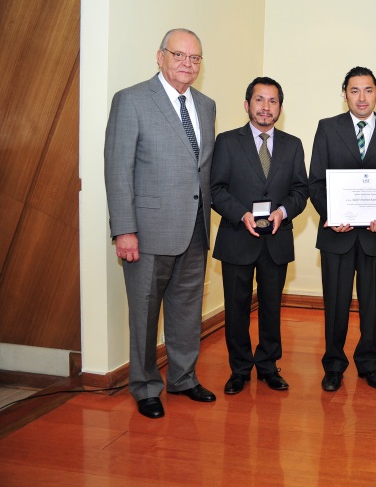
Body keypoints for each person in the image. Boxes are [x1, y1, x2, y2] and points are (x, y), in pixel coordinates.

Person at [104, 28, 217, 419]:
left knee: (187, 310)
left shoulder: (206, 105)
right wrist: (124, 229)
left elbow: (201, 168)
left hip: (195, 229)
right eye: (179, 55)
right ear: (160, 56)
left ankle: (183, 378)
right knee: (145, 312)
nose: (187, 63)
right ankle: (146, 386)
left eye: (195, 58)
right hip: (147, 231)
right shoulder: (132, 100)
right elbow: (118, 169)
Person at [308, 66, 376, 392]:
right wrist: (331, 213)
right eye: (354, 90)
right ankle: (334, 365)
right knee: (335, 305)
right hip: (337, 235)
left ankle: (369, 364)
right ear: (344, 94)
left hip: (375, 237)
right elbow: (316, 182)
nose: (361, 97)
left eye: (368, 90)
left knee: (372, 305)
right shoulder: (327, 129)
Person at [210, 77, 309, 395]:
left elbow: (300, 190)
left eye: (273, 101)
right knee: (236, 308)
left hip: (275, 240)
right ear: (247, 104)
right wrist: (241, 213)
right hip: (238, 237)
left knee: (271, 306)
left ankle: (268, 365)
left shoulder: (293, 145)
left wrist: (283, 211)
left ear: (280, 107)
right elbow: (216, 189)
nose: (266, 107)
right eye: (259, 100)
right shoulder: (226, 142)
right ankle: (239, 369)